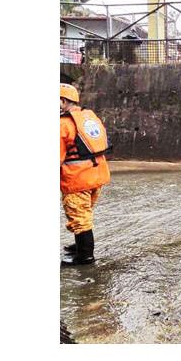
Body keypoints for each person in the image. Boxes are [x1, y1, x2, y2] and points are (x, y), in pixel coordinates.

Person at [60, 83, 110, 266]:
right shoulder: (89, 117)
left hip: (77, 179)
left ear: (63, 101)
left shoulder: (62, 124)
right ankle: (79, 245)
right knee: (84, 213)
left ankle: (85, 257)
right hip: (97, 175)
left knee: (79, 217)